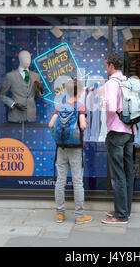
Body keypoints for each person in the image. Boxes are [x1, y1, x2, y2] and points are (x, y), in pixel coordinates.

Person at [48, 77, 93, 224]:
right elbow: (83, 126)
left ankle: (60, 214)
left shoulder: (61, 106)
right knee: (77, 182)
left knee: (60, 181)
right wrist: (85, 120)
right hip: (76, 149)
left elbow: (50, 124)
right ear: (79, 91)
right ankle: (80, 215)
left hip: (61, 148)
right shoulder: (80, 106)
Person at [101, 53, 136, 225]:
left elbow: (111, 107)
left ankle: (121, 215)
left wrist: (101, 102)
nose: (105, 68)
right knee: (128, 172)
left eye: (106, 65)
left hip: (116, 131)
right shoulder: (128, 81)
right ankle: (125, 210)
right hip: (131, 130)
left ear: (111, 66)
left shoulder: (111, 83)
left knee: (118, 175)